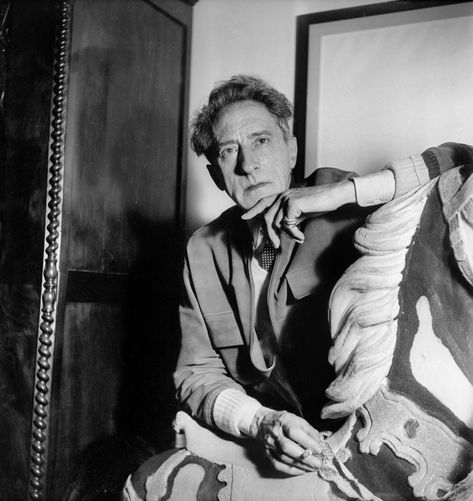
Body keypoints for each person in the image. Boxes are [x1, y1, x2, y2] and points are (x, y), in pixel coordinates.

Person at [174, 74, 470, 476]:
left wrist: (338, 195)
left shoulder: (345, 198)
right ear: (215, 174)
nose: (248, 164)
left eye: (261, 140)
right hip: (274, 452)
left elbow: (462, 166)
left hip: (375, 452)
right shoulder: (204, 249)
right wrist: (261, 423)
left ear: (292, 150)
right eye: (229, 151)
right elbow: (196, 373)